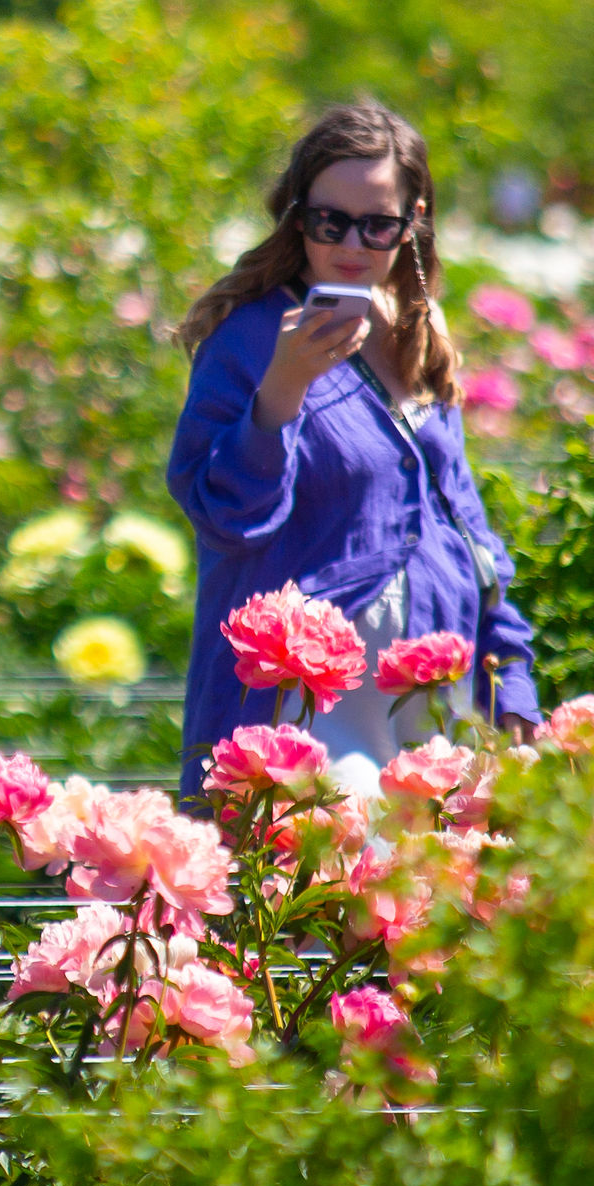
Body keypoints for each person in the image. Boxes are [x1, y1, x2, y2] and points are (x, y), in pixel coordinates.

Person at [166, 102, 542, 800]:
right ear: (298, 217)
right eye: (328, 221)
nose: (351, 244)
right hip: (306, 709)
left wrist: (509, 676)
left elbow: (470, 536)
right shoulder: (248, 338)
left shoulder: (421, 331)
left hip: (436, 692)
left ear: (413, 221)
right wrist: (282, 388)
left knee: (430, 899)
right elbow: (224, 516)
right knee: (324, 889)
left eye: (379, 224)